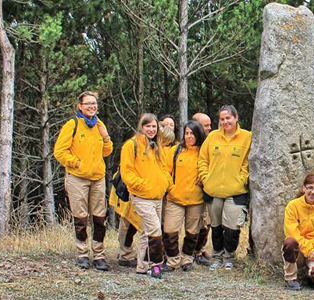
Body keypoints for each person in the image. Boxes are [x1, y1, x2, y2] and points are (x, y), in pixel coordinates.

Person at [54, 91, 113, 271]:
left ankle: (99, 255)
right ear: (80, 106)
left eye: (94, 103)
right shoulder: (72, 125)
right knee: (80, 218)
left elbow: (107, 151)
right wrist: (76, 163)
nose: (91, 107)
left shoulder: (99, 125)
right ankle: (82, 254)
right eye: (87, 104)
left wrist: (106, 137)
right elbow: (59, 152)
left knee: (99, 218)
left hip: (97, 178)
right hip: (77, 178)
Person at [198, 105, 252, 271]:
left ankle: (229, 256)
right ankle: (217, 256)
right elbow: (202, 159)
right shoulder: (213, 136)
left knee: (232, 228)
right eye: (222, 119)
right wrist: (206, 179)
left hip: (235, 192)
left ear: (236, 118)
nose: (225, 122)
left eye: (228, 118)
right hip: (213, 191)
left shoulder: (247, 137)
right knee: (215, 227)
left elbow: (248, 162)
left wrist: (242, 179)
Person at [120, 113, 173, 278]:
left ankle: (142, 267)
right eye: (148, 126)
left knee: (146, 232)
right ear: (141, 127)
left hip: (157, 197)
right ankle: (156, 265)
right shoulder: (132, 145)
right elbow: (126, 172)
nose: (151, 129)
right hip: (141, 197)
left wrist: (166, 183)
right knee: (155, 229)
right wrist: (141, 185)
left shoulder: (156, 146)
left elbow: (164, 168)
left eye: (154, 127)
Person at [162, 120, 207, 271]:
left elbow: (210, 169)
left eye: (192, 133)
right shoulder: (175, 151)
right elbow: (165, 171)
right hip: (175, 198)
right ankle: (172, 261)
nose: (189, 136)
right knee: (170, 231)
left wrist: (204, 179)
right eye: (186, 133)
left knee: (192, 232)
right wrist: (170, 187)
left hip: (196, 200)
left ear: (198, 134)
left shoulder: (203, 152)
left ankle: (186, 259)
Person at [191, 112, 213, 266]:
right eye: (206, 126)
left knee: (207, 223)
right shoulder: (190, 143)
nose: (209, 128)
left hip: (209, 188)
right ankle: (192, 252)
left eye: (210, 125)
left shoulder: (211, 142)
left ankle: (200, 250)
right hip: (192, 191)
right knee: (195, 224)